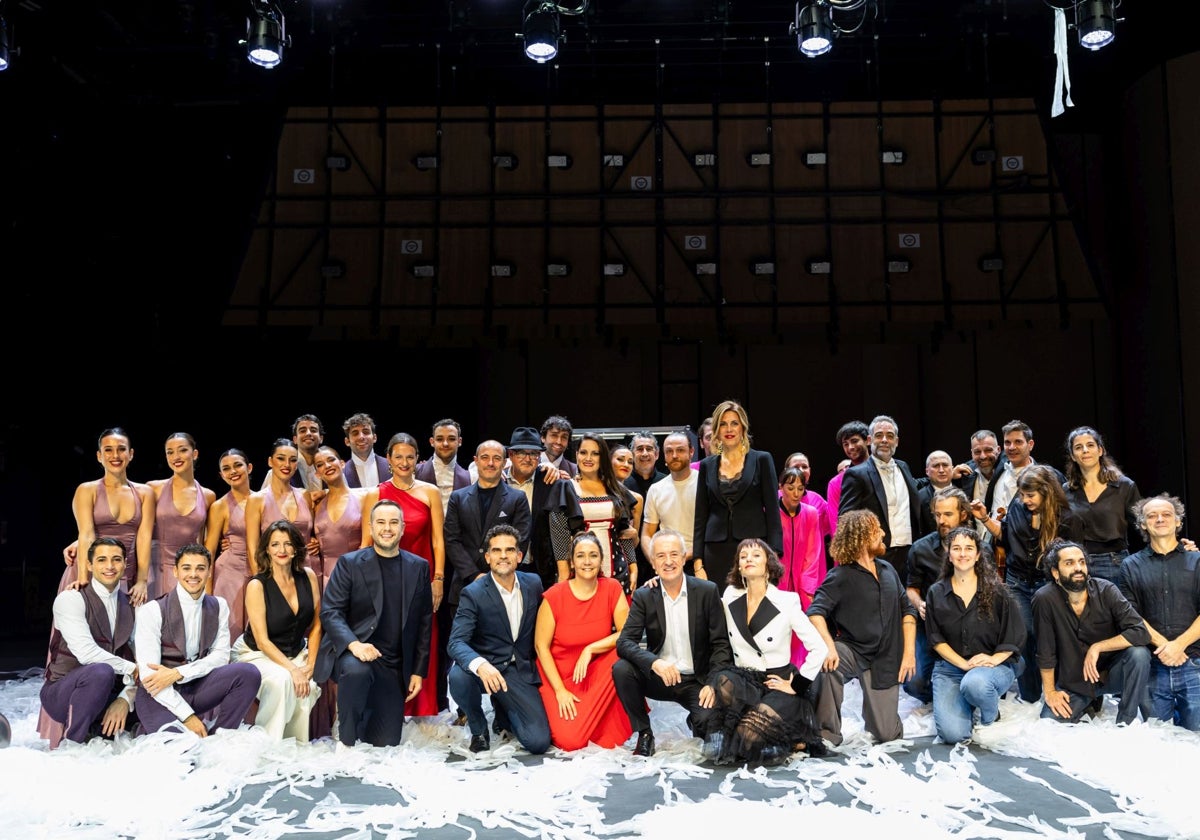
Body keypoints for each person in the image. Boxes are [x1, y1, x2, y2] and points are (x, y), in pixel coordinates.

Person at [316, 499, 434, 747]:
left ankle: (364, 719)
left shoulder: (419, 568)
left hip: (394, 664)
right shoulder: (349, 563)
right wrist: (354, 645)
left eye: (393, 522)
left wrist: (418, 671)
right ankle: (345, 740)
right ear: (370, 527)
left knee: (385, 743)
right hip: (357, 654)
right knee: (357, 671)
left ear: (403, 528)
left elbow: (424, 623)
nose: (387, 528)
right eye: (381, 522)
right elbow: (331, 612)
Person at [704, 538, 827, 764]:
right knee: (722, 679)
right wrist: (661, 582)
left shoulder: (786, 601)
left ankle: (792, 738)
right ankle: (770, 732)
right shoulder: (730, 595)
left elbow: (819, 648)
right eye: (743, 556)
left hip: (777, 681)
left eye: (756, 555)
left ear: (769, 565)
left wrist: (796, 685)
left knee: (747, 738)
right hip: (746, 682)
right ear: (739, 566)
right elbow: (702, 600)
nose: (748, 558)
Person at [613, 529, 731, 757]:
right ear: (653, 563)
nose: (668, 561)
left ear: (684, 556)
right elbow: (625, 642)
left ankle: (695, 720)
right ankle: (645, 733)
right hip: (660, 677)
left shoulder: (707, 591)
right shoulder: (645, 595)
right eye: (661, 556)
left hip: (696, 680)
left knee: (712, 737)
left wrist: (713, 683)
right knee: (622, 669)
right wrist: (654, 663)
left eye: (674, 554)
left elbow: (721, 645)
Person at [808, 510, 918, 746]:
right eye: (876, 530)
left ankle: (880, 717)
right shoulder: (840, 576)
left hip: (886, 657)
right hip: (853, 650)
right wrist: (828, 647)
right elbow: (815, 612)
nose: (883, 534)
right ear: (862, 537)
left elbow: (908, 611)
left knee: (886, 735)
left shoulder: (888, 570)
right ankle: (826, 734)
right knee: (826, 665)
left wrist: (908, 654)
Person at [976, 464, 1082, 703]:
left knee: (1051, 637)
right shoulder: (1017, 507)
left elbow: (1074, 557)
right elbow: (1005, 535)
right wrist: (984, 518)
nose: (1025, 500)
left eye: (1030, 495)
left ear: (1046, 492)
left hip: (1050, 584)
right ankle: (1031, 697)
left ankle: (1059, 691)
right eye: (1022, 494)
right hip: (1018, 581)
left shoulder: (1068, 518)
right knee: (1024, 636)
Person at [133, 544, 262, 737]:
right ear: (175, 571)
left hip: (195, 687)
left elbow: (220, 656)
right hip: (157, 695)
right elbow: (150, 678)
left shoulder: (219, 605)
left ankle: (220, 737)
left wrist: (178, 673)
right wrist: (188, 717)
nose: (193, 574)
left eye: (200, 568)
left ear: (209, 572)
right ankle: (150, 728)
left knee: (248, 673)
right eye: (186, 568)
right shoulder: (152, 611)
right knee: (183, 752)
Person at [447, 524, 552, 754]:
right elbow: (456, 643)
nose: (503, 556)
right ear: (487, 557)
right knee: (458, 676)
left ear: (519, 555)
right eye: (496, 550)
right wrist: (482, 665)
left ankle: (503, 714)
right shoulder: (473, 593)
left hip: (517, 669)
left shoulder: (533, 583)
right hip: (484, 668)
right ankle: (478, 729)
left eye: (509, 550)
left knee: (537, 742)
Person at [362, 432, 446, 716]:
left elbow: (438, 541)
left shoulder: (430, 492)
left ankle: (422, 710)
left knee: (423, 638)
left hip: (422, 578)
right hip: (384, 580)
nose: (404, 462)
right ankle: (389, 708)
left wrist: (438, 579)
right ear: (388, 459)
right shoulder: (376, 493)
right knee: (389, 638)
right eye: (398, 456)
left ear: (417, 459)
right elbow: (366, 542)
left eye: (410, 457)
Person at [1033, 539, 1151, 725]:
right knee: (1049, 725)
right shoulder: (1044, 599)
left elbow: (1140, 632)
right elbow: (1045, 651)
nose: (1078, 568)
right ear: (1055, 572)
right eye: (1069, 563)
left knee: (1139, 654)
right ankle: (1090, 701)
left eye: (1081, 562)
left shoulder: (1106, 590)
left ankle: (1125, 723)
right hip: (1074, 682)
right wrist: (1050, 692)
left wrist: (1097, 647)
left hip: (1111, 675)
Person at [533, 531, 632, 750]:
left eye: (593, 555)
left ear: (601, 560)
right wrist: (559, 690)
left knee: (623, 656)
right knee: (571, 741)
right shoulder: (555, 595)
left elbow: (626, 634)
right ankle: (583, 720)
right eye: (580, 555)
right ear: (571, 562)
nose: (587, 561)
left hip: (594, 669)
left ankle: (606, 722)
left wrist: (590, 649)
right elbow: (540, 646)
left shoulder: (612, 587)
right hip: (559, 674)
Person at [925, 527, 1025, 744]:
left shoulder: (997, 591)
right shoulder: (936, 592)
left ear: (978, 554)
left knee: (975, 684)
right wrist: (963, 664)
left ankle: (991, 716)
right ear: (948, 553)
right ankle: (969, 701)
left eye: (969, 548)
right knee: (954, 735)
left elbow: (1014, 634)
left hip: (993, 667)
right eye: (957, 548)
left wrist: (993, 659)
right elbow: (936, 639)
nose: (963, 554)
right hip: (951, 667)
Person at [40, 537, 139, 747]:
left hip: (109, 691)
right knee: (100, 671)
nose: (110, 566)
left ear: (125, 564)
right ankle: (74, 743)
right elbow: (87, 654)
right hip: (62, 691)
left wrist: (125, 698)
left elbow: (146, 660)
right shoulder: (71, 599)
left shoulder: (132, 605)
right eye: (102, 560)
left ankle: (113, 734)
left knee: (158, 682)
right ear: (89, 565)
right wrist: (133, 669)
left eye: (116, 560)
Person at [233, 520, 322, 741]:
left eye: (287, 544)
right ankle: (269, 745)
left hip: (296, 651)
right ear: (267, 549)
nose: (281, 550)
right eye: (275, 544)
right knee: (283, 680)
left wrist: (310, 663)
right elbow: (262, 641)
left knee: (306, 687)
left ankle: (295, 747)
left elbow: (318, 624)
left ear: (295, 549)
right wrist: (294, 669)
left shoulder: (308, 576)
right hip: (257, 653)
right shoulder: (257, 585)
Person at [1120, 495, 1200, 730]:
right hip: (1154, 667)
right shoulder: (1130, 565)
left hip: (1194, 664)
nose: (1160, 519)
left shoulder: (1197, 561)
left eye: (1166, 514)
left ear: (1178, 522)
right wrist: (1165, 646)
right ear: (1143, 524)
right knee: (1159, 747)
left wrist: (1178, 646)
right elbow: (1130, 615)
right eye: (1152, 515)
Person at [692, 400, 783, 588]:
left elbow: (773, 512)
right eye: (723, 424)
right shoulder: (707, 465)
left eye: (734, 423)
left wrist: (773, 555)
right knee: (719, 610)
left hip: (754, 548)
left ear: (743, 427)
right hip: (715, 551)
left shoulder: (762, 459)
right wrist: (698, 561)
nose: (729, 428)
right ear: (716, 429)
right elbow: (700, 516)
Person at [64, 427, 155, 604]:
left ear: (131, 454)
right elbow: (86, 534)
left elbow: (144, 537)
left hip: (126, 575)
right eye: (108, 450)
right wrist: (83, 578)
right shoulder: (86, 490)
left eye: (121, 449)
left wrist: (142, 580)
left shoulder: (145, 493)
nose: (115, 455)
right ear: (99, 456)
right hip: (90, 572)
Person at [903, 486, 973, 704]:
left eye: (948, 514)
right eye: (938, 514)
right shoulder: (920, 549)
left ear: (963, 514)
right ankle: (939, 697)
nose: (942, 520)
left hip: (968, 625)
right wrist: (920, 604)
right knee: (913, 683)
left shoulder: (976, 547)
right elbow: (911, 589)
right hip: (930, 626)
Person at [836, 414, 923, 586]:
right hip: (877, 554)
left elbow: (916, 486)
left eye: (890, 436)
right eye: (879, 435)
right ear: (869, 440)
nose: (884, 440)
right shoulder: (856, 474)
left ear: (896, 441)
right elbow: (846, 519)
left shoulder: (903, 467)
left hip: (910, 551)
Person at [549, 434, 641, 594]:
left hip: (618, 573)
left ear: (603, 457)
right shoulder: (565, 488)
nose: (588, 458)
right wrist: (563, 576)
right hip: (579, 574)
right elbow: (560, 537)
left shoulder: (616, 488)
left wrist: (633, 567)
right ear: (576, 455)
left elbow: (623, 531)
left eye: (595, 453)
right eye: (583, 452)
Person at [1063, 426, 1142, 585]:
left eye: (1090, 445)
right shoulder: (1066, 491)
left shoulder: (1124, 486)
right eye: (1078, 447)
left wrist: (1174, 546)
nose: (1085, 450)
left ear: (1100, 450)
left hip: (1115, 563)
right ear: (1072, 456)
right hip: (1078, 565)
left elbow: (1143, 526)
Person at [148, 433, 216, 598]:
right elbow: (130, 523)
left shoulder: (208, 496)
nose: (175, 457)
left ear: (195, 454)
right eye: (170, 452)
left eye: (182, 450)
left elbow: (205, 543)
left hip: (188, 572)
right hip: (155, 570)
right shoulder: (154, 488)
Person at [503, 426, 566, 589]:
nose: (528, 458)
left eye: (533, 454)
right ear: (511, 455)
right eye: (522, 453)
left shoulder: (550, 481)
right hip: (503, 564)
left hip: (540, 567)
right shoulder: (499, 480)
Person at [777, 467, 826, 671]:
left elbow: (813, 553)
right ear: (780, 488)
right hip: (776, 581)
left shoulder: (811, 514)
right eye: (791, 488)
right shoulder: (770, 512)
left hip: (801, 582)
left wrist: (807, 589)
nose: (796, 493)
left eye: (800, 488)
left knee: (802, 631)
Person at [245, 439, 318, 575]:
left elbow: (313, 533)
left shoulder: (304, 495)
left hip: (308, 569)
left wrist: (316, 542)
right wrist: (260, 582)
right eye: (281, 458)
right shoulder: (256, 500)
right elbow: (252, 547)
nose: (287, 465)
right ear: (270, 461)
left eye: (292, 460)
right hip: (274, 573)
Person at [205, 448, 255, 643]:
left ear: (249, 467)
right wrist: (206, 594)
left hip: (257, 573)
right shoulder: (220, 506)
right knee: (230, 630)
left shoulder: (263, 499)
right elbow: (209, 550)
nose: (233, 471)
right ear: (221, 475)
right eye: (226, 468)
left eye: (237, 465)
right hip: (229, 574)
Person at [640, 431, 699, 574]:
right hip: (667, 566)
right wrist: (655, 560)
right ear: (663, 455)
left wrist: (687, 556)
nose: (674, 455)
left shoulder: (704, 484)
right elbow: (647, 534)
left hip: (699, 562)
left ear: (691, 452)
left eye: (680, 450)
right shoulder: (656, 489)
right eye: (669, 451)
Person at [311, 445, 366, 587]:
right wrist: (312, 540)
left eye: (331, 460)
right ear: (317, 473)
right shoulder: (316, 505)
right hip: (326, 578)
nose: (327, 466)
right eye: (320, 465)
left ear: (342, 464)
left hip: (357, 574)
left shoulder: (364, 497)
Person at [416, 419, 470, 514]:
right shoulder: (415, 472)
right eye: (440, 439)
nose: (445, 443)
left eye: (451, 439)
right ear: (432, 442)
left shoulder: (470, 477)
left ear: (459, 441)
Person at [825, 420, 869, 536]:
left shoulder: (882, 471)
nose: (850, 447)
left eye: (854, 441)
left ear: (867, 440)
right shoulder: (836, 483)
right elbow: (836, 523)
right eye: (846, 444)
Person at [781, 452, 829, 538]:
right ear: (786, 471)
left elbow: (827, 527)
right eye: (796, 467)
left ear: (809, 471)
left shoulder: (818, 500)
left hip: (814, 550)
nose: (801, 470)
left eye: (804, 467)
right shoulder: (774, 497)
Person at [341, 411, 391, 489]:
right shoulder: (341, 473)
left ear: (374, 438)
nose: (361, 437)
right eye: (355, 433)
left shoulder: (392, 466)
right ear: (347, 441)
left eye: (366, 432)